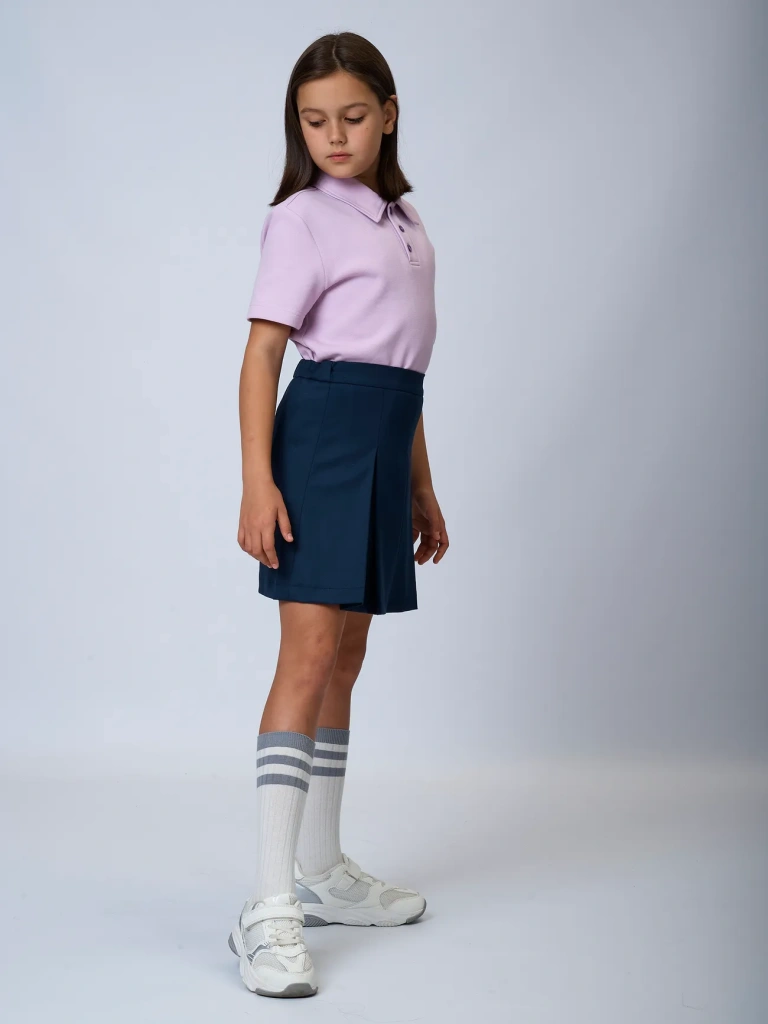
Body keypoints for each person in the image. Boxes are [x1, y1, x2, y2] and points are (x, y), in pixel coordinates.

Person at [229, 30, 449, 998]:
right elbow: (262, 353)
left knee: (348, 656)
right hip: (319, 442)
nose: (334, 136)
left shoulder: (403, 219)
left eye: (352, 117)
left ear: (388, 114)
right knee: (308, 657)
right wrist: (257, 479)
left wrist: (421, 483)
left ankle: (321, 870)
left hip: (383, 440)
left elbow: (402, 368)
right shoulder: (302, 219)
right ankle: (268, 904)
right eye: (314, 121)